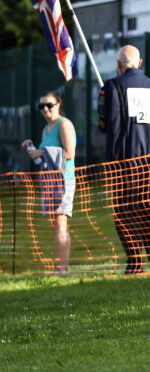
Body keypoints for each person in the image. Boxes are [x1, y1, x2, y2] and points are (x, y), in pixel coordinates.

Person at [98, 45, 150, 274]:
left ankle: (135, 262)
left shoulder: (112, 86)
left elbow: (105, 124)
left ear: (118, 65)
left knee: (124, 211)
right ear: (139, 64)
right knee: (149, 207)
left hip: (125, 161)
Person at [22, 91, 76, 275]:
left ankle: (62, 269)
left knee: (60, 222)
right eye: (41, 106)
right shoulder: (46, 129)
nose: (45, 109)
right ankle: (62, 267)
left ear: (59, 104)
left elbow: (69, 154)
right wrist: (33, 150)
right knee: (56, 224)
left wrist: (42, 152)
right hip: (49, 181)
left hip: (63, 181)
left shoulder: (64, 124)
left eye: (49, 105)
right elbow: (45, 159)